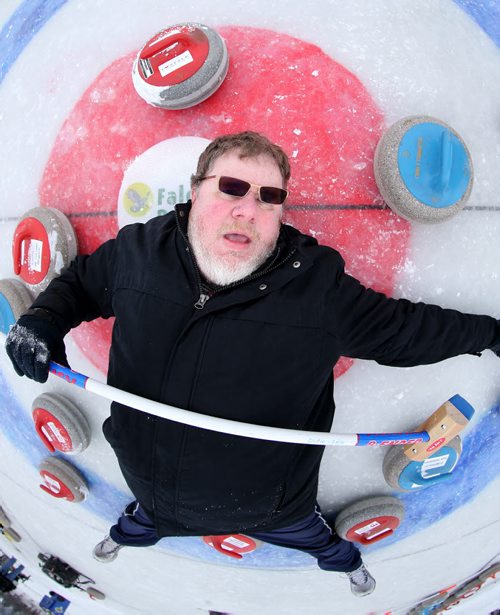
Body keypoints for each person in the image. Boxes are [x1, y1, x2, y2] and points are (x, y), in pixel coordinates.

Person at [5, 131, 500, 599]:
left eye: (269, 196)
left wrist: (493, 334)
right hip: (151, 494)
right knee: (138, 524)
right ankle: (125, 536)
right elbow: (82, 284)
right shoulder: (137, 253)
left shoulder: (318, 291)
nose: (248, 209)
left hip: (276, 507)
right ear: (196, 191)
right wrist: (44, 319)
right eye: (232, 188)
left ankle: (343, 561)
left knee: (316, 539)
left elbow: (406, 330)